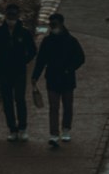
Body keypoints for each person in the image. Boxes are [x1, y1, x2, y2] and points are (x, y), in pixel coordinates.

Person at [31, 13, 86, 149]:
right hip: (55, 78)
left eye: (53, 24)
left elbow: (80, 58)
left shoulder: (70, 41)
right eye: (51, 24)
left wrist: (69, 69)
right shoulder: (49, 41)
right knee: (54, 107)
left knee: (66, 106)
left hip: (63, 78)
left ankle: (65, 129)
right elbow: (41, 60)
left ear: (61, 23)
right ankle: (55, 133)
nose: (52, 27)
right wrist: (35, 76)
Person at [0, 1, 36, 141]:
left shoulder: (24, 33)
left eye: (14, 15)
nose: (11, 18)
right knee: (7, 101)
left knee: (20, 99)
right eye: (9, 15)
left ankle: (23, 128)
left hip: (19, 70)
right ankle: (12, 129)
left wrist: (23, 61)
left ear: (18, 16)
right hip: (4, 71)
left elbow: (32, 50)